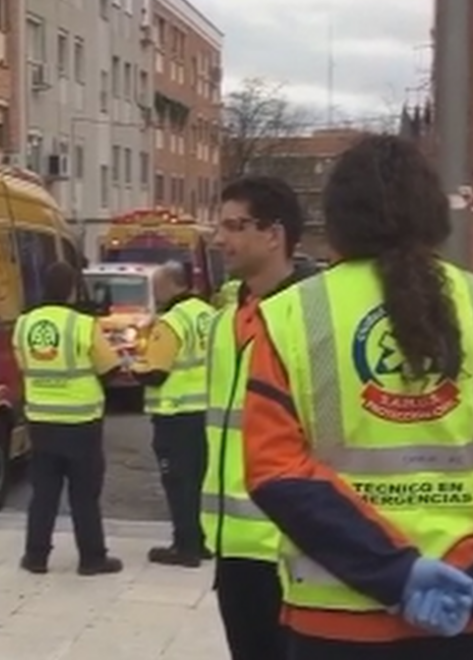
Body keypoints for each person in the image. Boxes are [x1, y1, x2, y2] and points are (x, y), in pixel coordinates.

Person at [242, 134, 473, 659]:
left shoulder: (292, 316)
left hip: (338, 620)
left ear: (336, 221)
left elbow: (275, 471)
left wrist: (398, 574)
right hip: (467, 619)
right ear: (433, 215)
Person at [203, 175, 309, 659]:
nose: (219, 238)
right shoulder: (225, 323)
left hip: (290, 549)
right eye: (220, 226)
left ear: (274, 234)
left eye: (235, 226)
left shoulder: (310, 319)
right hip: (233, 545)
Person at [13, 261, 125, 576]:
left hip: (41, 421)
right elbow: (110, 368)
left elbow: (23, 366)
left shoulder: (24, 324)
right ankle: (92, 558)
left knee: (43, 493)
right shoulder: (83, 324)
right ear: (72, 290)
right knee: (84, 495)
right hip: (81, 422)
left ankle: (35, 557)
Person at [133, 261, 216, 567]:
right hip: (206, 412)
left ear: (171, 284)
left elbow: (156, 373)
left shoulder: (171, 322)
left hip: (175, 413)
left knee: (178, 482)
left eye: (157, 285)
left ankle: (184, 547)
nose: (155, 292)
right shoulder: (209, 314)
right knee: (200, 480)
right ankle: (201, 541)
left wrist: (134, 366)